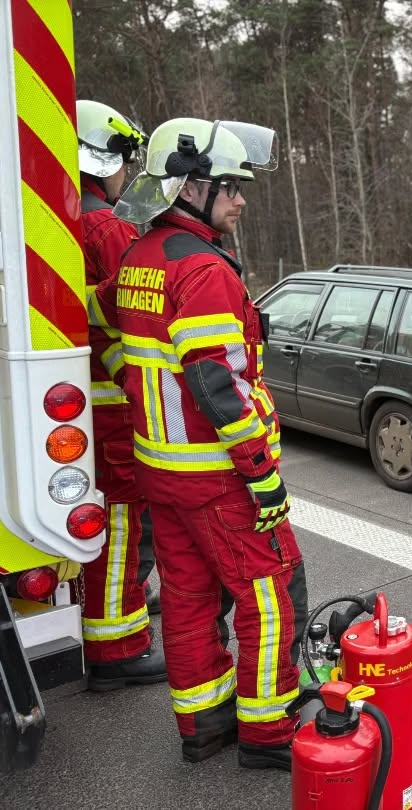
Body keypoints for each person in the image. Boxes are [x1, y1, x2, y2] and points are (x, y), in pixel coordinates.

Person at [89, 117, 307, 770]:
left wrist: (131, 383)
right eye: (230, 187)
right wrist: (261, 472)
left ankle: (204, 725)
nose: (240, 200)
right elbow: (218, 386)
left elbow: (102, 322)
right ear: (190, 187)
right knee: (270, 593)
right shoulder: (204, 269)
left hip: (160, 473)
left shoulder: (138, 258)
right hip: (217, 476)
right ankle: (268, 731)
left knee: (187, 600)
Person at [75, 99, 167, 690]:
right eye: (124, 162)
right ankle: (117, 649)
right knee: (119, 523)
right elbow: (132, 308)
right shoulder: (105, 227)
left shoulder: (58, 222)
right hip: (112, 404)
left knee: (113, 523)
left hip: (88, 399)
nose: (127, 173)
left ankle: (126, 602)